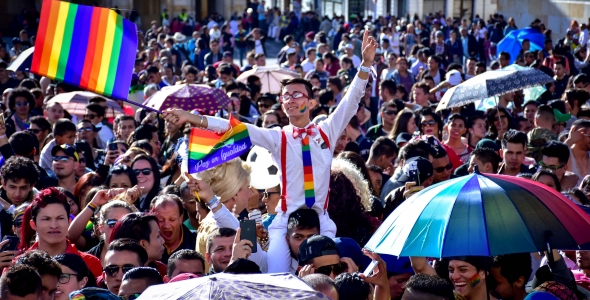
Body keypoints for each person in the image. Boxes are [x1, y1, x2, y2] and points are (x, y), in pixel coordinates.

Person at [164, 34, 381, 277]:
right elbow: (235, 128)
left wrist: (365, 65)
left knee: (323, 280)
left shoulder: (327, 131)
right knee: (276, 276)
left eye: (296, 94)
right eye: (285, 96)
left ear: (311, 103)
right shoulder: (279, 137)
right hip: (286, 222)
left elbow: (350, 102)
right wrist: (191, 117)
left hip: (321, 220)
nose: (289, 100)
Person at [18, 188, 102, 277]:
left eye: (60, 218)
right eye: (46, 219)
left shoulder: (90, 263)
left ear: (69, 222)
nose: (54, 226)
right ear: (33, 224)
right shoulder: (18, 266)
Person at [152, 195, 196, 264]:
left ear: (181, 218)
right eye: (161, 220)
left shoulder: (196, 242)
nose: (166, 225)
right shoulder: (148, 246)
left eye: (172, 219)